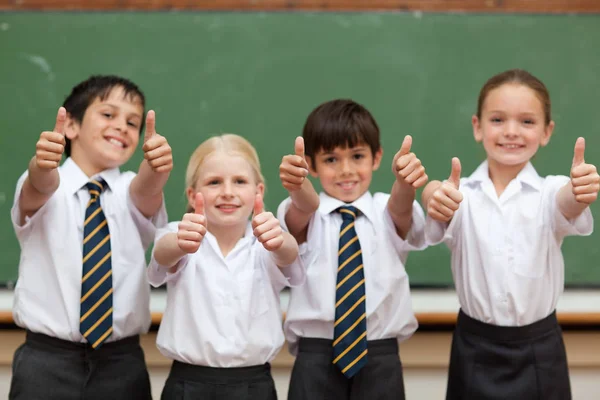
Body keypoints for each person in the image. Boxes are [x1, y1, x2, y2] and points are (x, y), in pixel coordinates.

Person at [422, 68, 599, 400]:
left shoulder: (552, 191)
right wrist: (432, 192)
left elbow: (568, 202)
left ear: (547, 132)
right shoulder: (461, 195)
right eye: (498, 120)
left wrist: (580, 189)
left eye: (527, 122)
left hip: (539, 350)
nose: (511, 132)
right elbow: (437, 198)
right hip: (473, 347)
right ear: (477, 126)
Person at [9, 75, 172, 400]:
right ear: (70, 125)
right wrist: (42, 163)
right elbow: (40, 184)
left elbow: (147, 189)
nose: (122, 127)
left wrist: (156, 169)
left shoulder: (130, 189)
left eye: (133, 122)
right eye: (109, 115)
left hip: (121, 363)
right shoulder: (45, 184)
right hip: (46, 361)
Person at [278, 99, 428, 399]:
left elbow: (401, 208)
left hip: (380, 355)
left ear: (376, 157)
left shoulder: (386, 210)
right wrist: (297, 187)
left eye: (357, 156)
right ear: (311, 165)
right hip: (315, 356)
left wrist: (405, 183)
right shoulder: (306, 214)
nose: (346, 170)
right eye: (331, 159)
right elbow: (299, 213)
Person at [148, 133, 305, 400]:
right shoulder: (178, 235)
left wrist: (280, 241)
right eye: (214, 182)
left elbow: (290, 256)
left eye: (240, 181)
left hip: (253, 385)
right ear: (192, 194)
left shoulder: (267, 241)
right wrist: (180, 243)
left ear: (259, 192)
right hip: (188, 384)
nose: (228, 192)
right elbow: (162, 256)